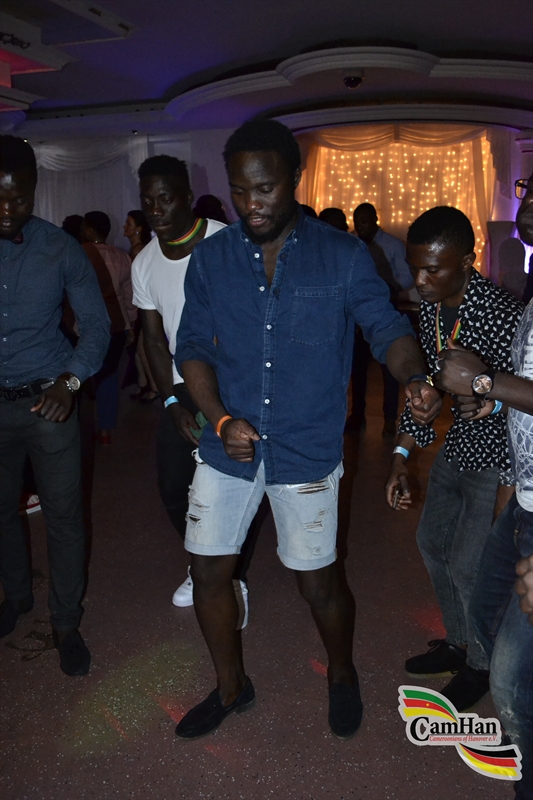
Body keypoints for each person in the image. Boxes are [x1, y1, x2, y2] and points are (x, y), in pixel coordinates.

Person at [173, 119, 441, 741]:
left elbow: (386, 328)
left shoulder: (342, 255)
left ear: (294, 178)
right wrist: (219, 418)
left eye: (265, 188)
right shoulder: (211, 258)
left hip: (307, 448)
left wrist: (414, 378)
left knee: (318, 582)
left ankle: (341, 672)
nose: (252, 203)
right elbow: (192, 348)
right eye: (240, 190)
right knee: (208, 572)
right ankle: (231, 687)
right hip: (226, 445)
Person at [385, 206, 524, 712]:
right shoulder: (433, 308)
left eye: (432, 270)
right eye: (414, 268)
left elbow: (522, 402)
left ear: (467, 261)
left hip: (500, 460)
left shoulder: (503, 313)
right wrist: (402, 453)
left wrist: (492, 402)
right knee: (431, 542)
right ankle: (458, 642)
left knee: (471, 566)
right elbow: (429, 390)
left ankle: (481, 665)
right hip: (460, 447)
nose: (419, 281)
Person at [435, 172, 533, 800]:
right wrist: (495, 401)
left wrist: (484, 384)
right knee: (484, 608)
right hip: (522, 491)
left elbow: (494, 376)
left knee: (511, 680)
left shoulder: (499, 304)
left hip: (520, 494)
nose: (527, 201)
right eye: (528, 188)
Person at [131, 155, 261, 616]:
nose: (156, 209)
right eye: (148, 201)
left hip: (234, 382)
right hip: (182, 386)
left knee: (237, 486)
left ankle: (231, 576)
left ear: (187, 197)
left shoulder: (229, 242)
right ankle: (202, 563)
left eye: (166, 198)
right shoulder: (144, 262)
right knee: (173, 487)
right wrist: (170, 400)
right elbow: (152, 338)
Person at [0, 136, 110, 675]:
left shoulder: (61, 248)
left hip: (50, 402)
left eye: (18, 199)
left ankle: (66, 621)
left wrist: (70, 382)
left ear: (35, 191)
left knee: (64, 518)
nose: (7, 210)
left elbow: (97, 326)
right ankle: (17, 597)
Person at [348, 203, 414, 437]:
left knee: (389, 367)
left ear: (375, 220)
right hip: (357, 314)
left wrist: (384, 289)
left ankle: (389, 418)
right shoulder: (351, 243)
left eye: (365, 221)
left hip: (385, 306)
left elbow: (407, 277)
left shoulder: (392, 245)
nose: (360, 226)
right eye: (357, 221)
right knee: (358, 368)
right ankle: (357, 415)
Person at [81, 211, 137, 445]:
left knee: (83, 374)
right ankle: (104, 430)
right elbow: (129, 296)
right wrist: (130, 324)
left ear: (89, 230)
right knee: (109, 375)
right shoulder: (121, 257)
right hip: (116, 323)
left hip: (84, 324)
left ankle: (83, 428)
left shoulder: (79, 254)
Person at [122, 210, 158, 401]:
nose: (124, 227)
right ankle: (145, 383)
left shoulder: (138, 250)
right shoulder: (139, 249)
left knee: (143, 347)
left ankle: (153, 386)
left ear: (139, 228)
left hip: (142, 305)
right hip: (139, 303)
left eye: (129, 223)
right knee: (138, 347)